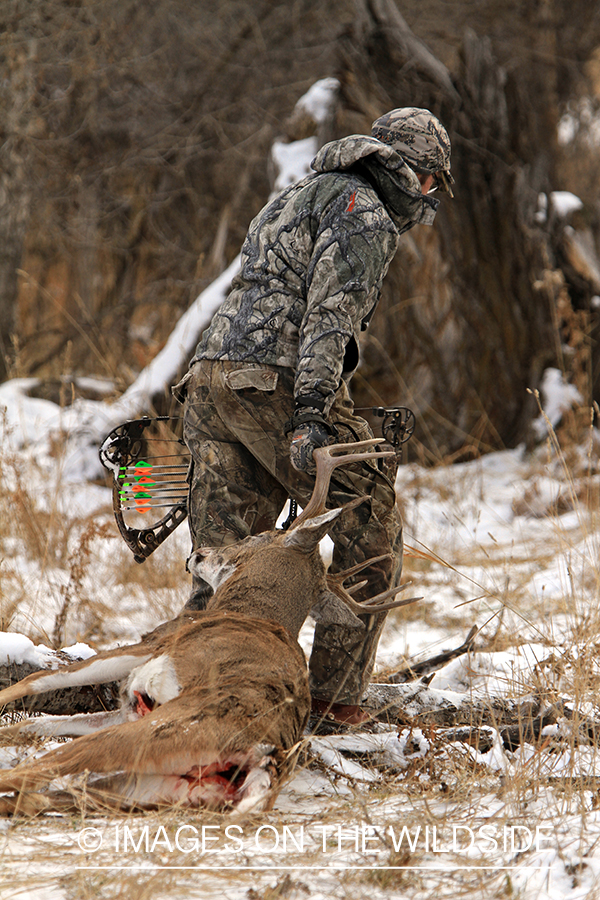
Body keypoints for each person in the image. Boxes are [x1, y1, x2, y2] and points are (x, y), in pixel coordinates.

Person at [175, 107, 453, 725]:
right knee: (372, 529)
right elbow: (329, 318)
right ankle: (331, 706)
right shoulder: (366, 214)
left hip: (209, 379)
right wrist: (311, 413)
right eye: (434, 183)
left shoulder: (298, 193)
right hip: (275, 383)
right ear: (420, 174)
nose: (431, 198)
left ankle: (193, 697)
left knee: (226, 559)